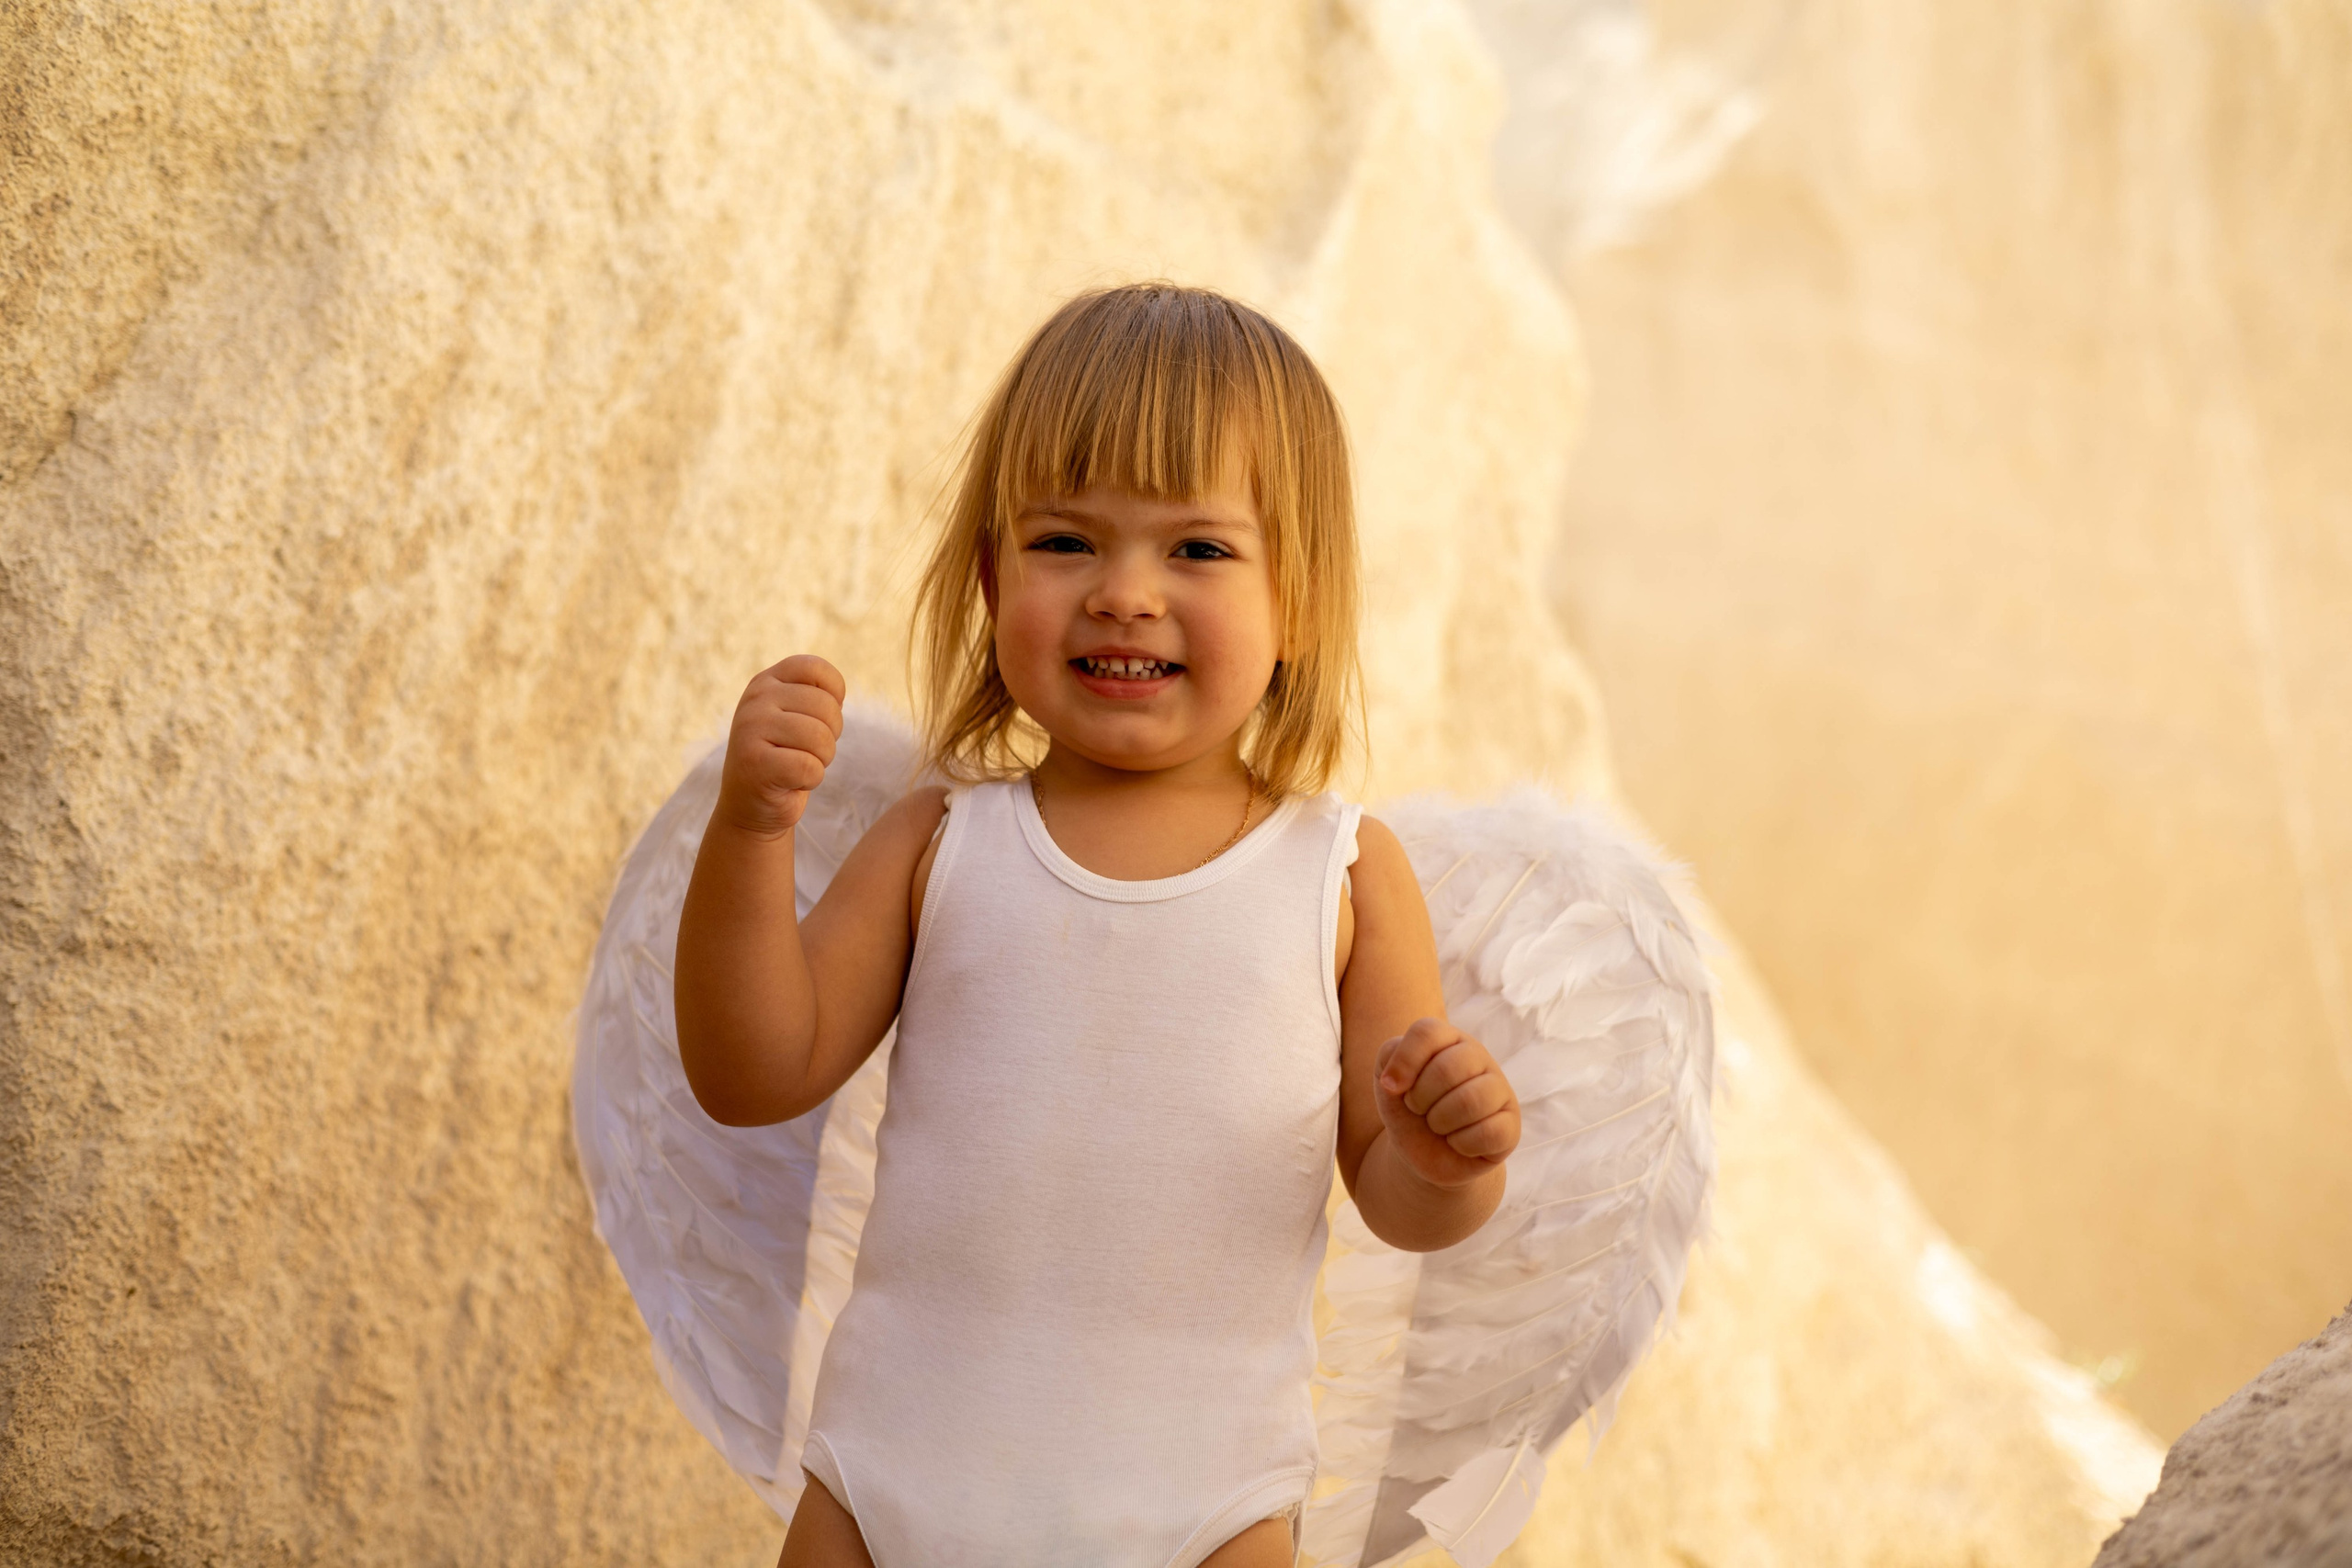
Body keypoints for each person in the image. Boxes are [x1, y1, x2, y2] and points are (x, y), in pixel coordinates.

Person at [672, 283, 1523, 1568]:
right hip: (889, 1482)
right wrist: (750, 830)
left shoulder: (1342, 876)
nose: (1125, 594)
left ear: (1298, 598)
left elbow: (1399, 1202)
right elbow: (750, 1073)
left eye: (1198, 550)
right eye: (1066, 541)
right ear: (990, 576)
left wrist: (1450, 1158)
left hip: (1204, 1509)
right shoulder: (939, 844)